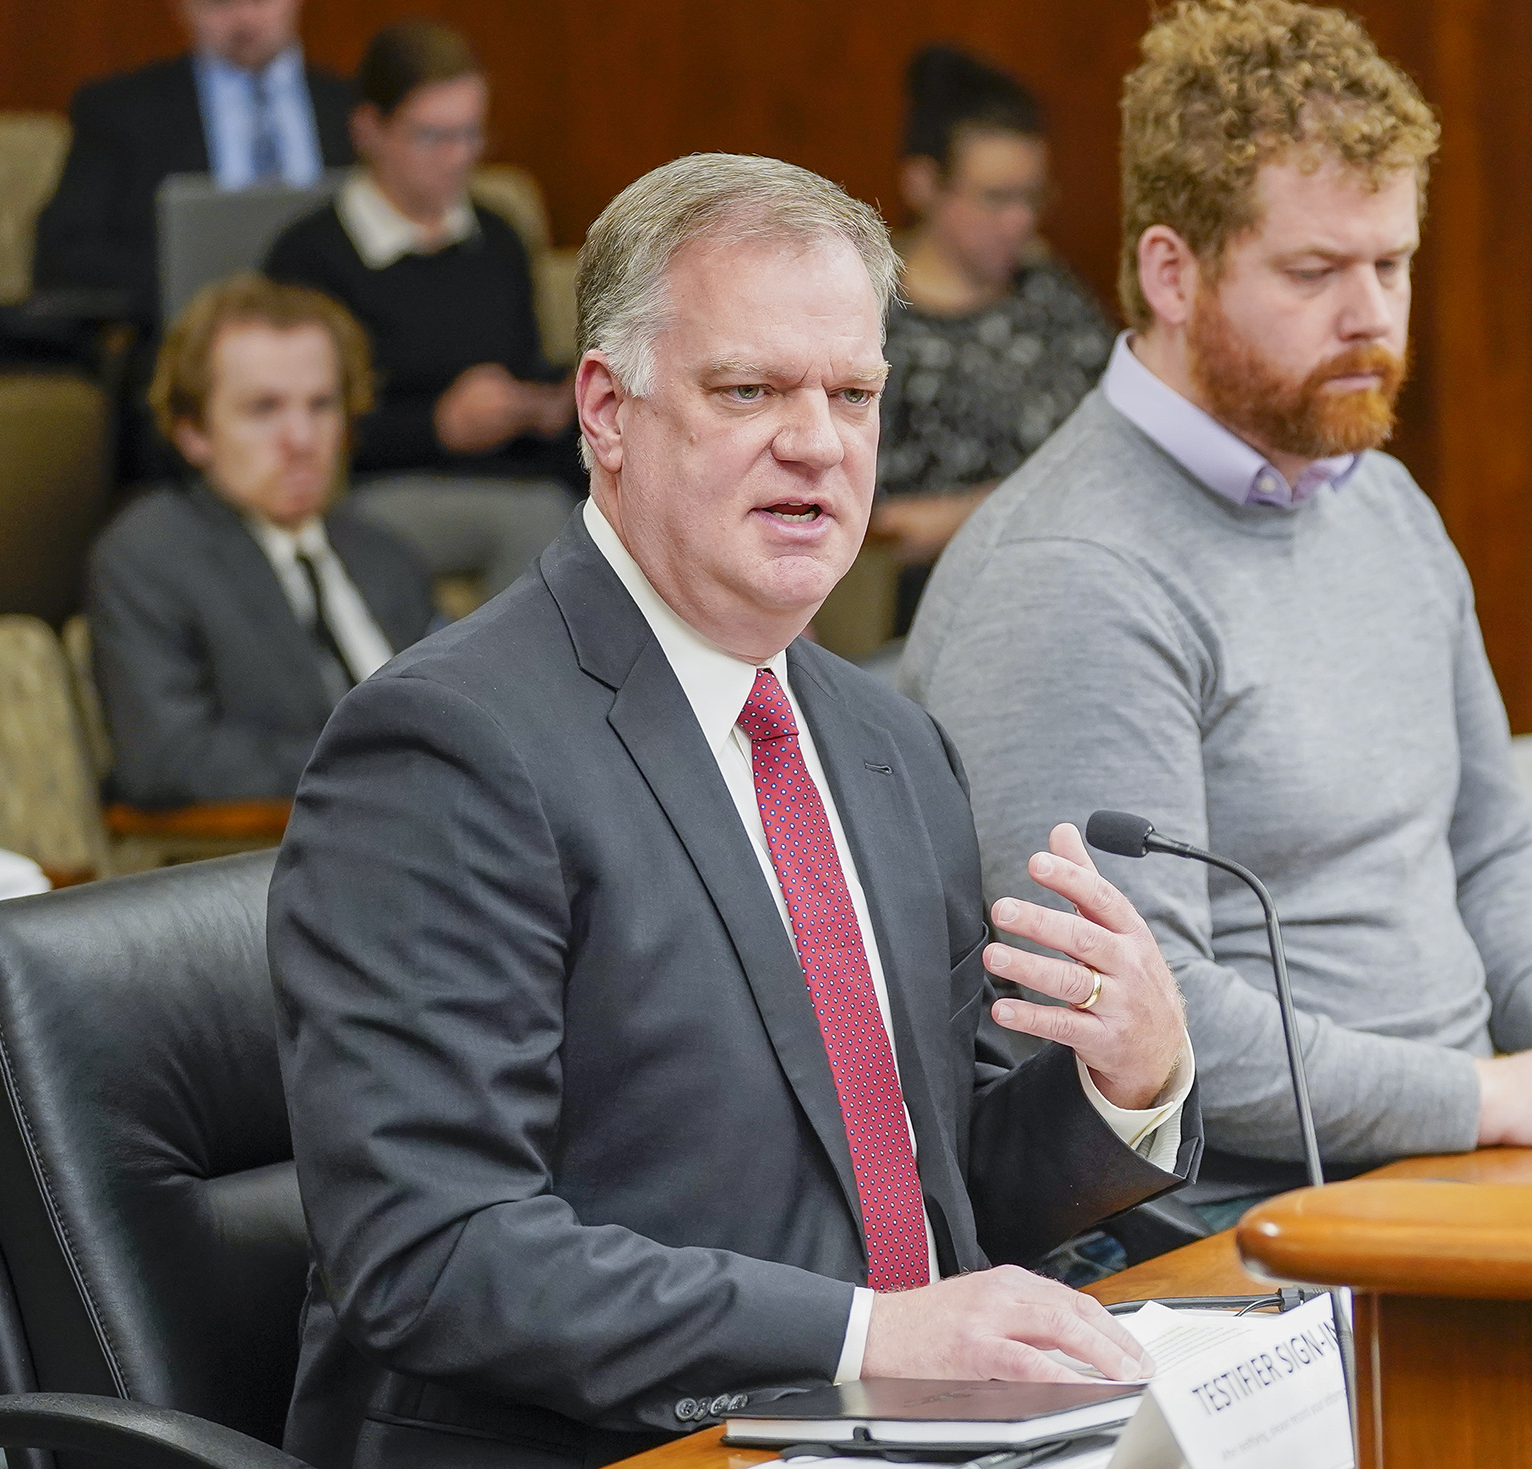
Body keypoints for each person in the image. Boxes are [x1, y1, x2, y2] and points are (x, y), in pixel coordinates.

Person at [268, 153, 1200, 1469]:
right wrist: (867, 1342)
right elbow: (436, 1252)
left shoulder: (888, 741)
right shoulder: (446, 747)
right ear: (608, 409)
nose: (817, 441)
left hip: (908, 1433)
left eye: (854, 394)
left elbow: (938, 1185)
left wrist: (1130, 1084)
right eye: (750, 389)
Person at [903, 0, 1532, 1226]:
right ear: (1171, 272)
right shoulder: (1069, 572)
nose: (1374, 317)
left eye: (1392, 263)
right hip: (1249, 1242)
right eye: (1316, 271)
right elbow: (1141, 1024)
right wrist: (1494, 1098)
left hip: (1473, 1167)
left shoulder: (1383, 503)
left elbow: (1491, 844)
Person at [86, 275, 435, 808]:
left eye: (321, 405)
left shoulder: (382, 552)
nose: (301, 439)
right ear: (193, 432)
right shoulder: (147, 556)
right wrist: (391, 766)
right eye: (264, 409)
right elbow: (169, 761)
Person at [264, 19, 579, 597]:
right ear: (369, 129)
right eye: (433, 137)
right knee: (538, 518)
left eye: (471, 135)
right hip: (377, 485)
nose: (458, 158)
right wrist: (438, 426)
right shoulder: (312, 256)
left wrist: (549, 402)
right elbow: (308, 423)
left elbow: (521, 363)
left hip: (508, 471)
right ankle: (512, 688)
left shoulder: (498, 237)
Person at [872, 45, 1112, 634]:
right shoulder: (874, 320)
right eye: (996, 198)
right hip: (946, 613)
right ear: (924, 184)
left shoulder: (1048, 288)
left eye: (1032, 197)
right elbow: (888, 531)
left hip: (1092, 583)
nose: (1020, 222)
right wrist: (1049, 494)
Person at [33, 0, 355, 330]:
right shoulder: (121, 112)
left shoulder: (355, 109)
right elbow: (63, 257)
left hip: (334, 332)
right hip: (187, 338)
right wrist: (181, 271)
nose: (245, 19)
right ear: (181, 2)